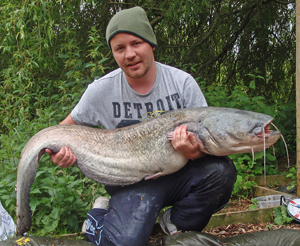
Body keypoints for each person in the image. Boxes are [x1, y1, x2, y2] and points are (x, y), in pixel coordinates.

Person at [46, 6, 237, 246]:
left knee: (221, 172)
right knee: (125, 242)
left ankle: (174, 223)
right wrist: (58, 153)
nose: (130, 54)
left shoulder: (182, 83)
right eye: (120, 48)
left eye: (136, 43)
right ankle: (98, 217)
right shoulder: (100, 91)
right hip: (130, 182)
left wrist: (194, 153)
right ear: (113, 54)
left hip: (177, 174)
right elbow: (62, 131)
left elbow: (207, 140)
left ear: (151, 44)